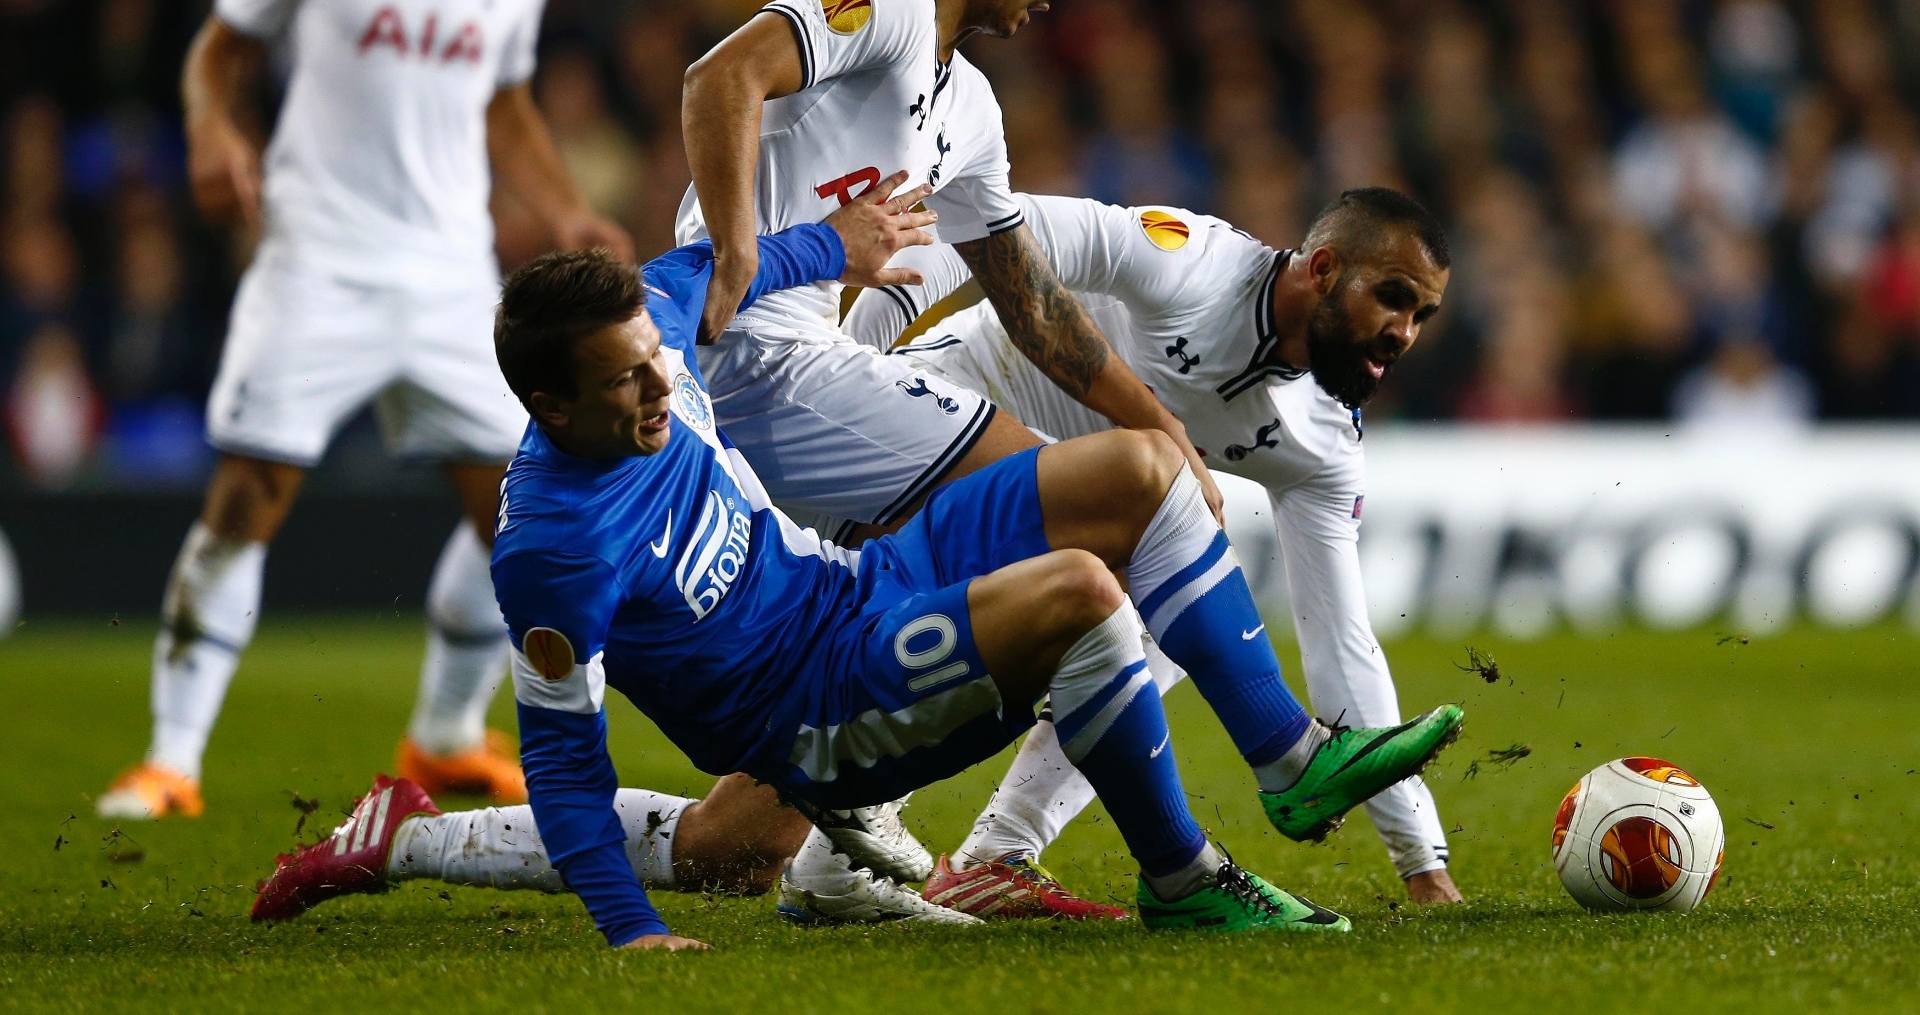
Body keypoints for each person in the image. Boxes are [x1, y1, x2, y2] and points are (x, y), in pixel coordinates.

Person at [252, 213, 1461, 945]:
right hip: (817, 708)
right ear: (548, 404)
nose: (662, 389)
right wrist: (630, 933)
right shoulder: (553, 547)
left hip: (856, 584)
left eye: (654, 362)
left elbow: (727, 261)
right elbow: (565, 755)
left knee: (1146, 467)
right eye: (626, 385)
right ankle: (1186, 877)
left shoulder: (653, 333)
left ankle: (1293, 764)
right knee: (1086, 593)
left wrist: (848, 245)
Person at [98, 0, 629, 820]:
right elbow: (219, 46)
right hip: (320, 257)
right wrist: (211, 127)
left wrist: (565, 207)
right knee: (250, 492)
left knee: (522, 511)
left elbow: (505, 106)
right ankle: (172, 757)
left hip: (446, 272)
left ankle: (440, 732)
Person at [842, 187, 1468, 906]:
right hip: (923, 418)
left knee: (1177, 600)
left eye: (1421, 315)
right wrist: (854, 360)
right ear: (1323, 268)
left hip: (1036, 510)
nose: (1405, 331)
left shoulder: (1323, 441)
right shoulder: (1192, 261)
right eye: (1392, 297)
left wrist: (1422, 864)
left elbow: (1340, 637)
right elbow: (976, 224)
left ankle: (989, 851)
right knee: (1167, 551)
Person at [679, 0, 1220, 542]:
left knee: (987, 567)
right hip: (750, 347)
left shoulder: (971, 107)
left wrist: (1166, 431)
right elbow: (720, 76)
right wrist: (735, 252)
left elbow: (1034, 307)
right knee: (1087, 509)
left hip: (804, 357)